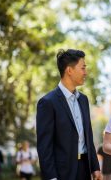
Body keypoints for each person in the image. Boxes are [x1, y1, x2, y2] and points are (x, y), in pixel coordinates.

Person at [36, 49, 101, 180]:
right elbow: (44, 147)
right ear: (69, 70)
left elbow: (88, 136)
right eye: (83, 68)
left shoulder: (84, 100)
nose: (85, 72)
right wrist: (51, 178)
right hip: (62, 173)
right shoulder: (47, 102)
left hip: (85, 169)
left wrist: (95, 167)